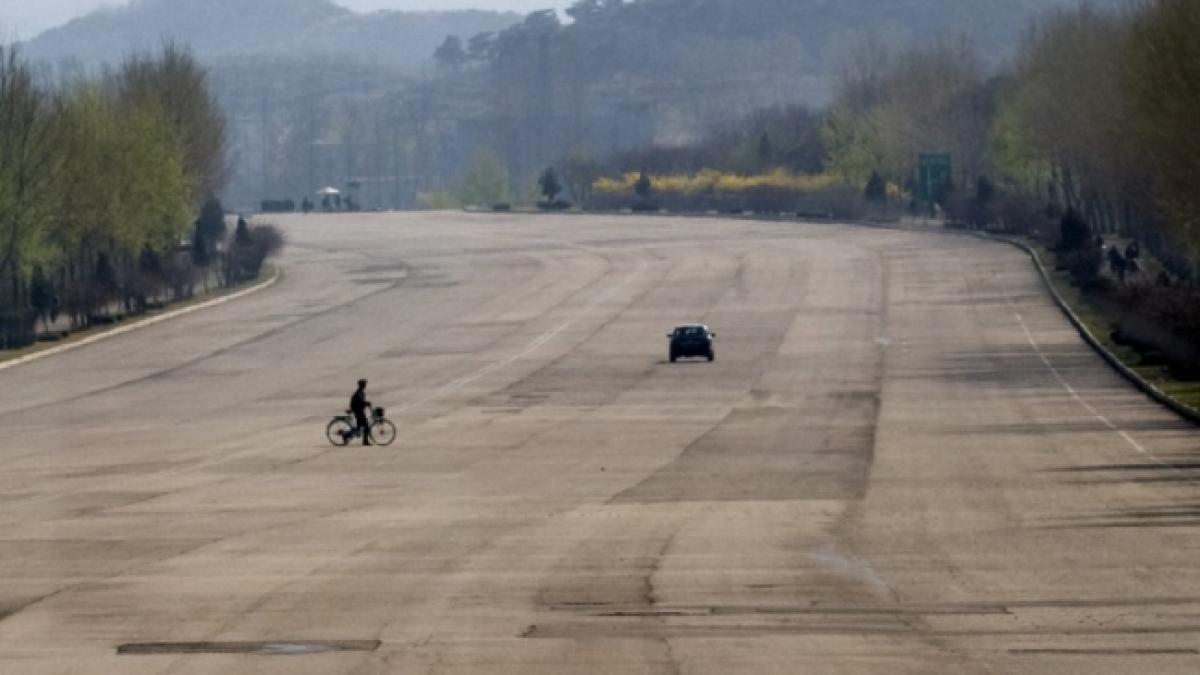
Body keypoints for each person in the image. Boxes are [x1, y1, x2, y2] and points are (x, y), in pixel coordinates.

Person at [349, 379, 372, 446]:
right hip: (357, 411)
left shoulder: (360, 392)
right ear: (361, 385)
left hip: (359, 410)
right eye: (364, 384)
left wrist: (366, 404)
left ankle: (347, 435)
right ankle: (365, 441)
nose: (365, 385)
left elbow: (361, 402)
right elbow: (360, 402)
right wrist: (366, 403)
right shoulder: (358, 392)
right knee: (366, 426)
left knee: (359, 427)